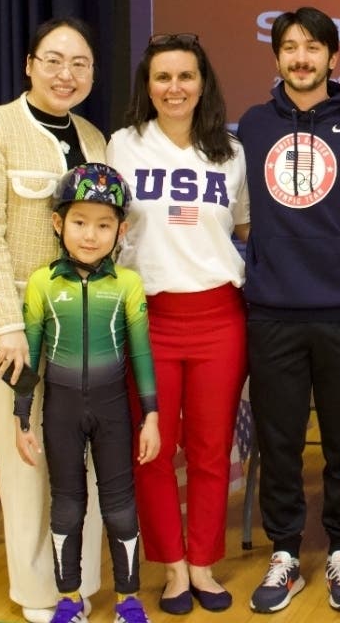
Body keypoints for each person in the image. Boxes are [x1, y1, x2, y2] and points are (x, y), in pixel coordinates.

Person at [0, 16, 107, 623]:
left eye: (79, 64)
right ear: (29, 64)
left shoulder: (95, 138)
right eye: (53, 60)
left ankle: (84, 581)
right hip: (14, 325)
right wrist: (9, 325)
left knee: (87, 452)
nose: (65, 74)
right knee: (27, 457)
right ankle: (39, 593)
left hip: (87, 323)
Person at [236, 7, 340, 615]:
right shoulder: (251, 126)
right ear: (276, 59)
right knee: (279, 440)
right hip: (272, 309)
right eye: (290, 47)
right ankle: (287, 553)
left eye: (314, 47)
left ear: (333, 57)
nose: (302, 57)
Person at [106, 33, 250, 614]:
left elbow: (241, 229)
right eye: (162, 78)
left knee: (212, 449)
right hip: (148, 318)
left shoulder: (231, 152)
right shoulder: (123, 145)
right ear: (148, 86)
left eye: (185, 76)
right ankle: (170, 568)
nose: (174, 88)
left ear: (203, 83)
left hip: (219, 317)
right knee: (153, 450)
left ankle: (203, 564)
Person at [13, 163, 159, 623]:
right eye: (79, 222)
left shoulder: (127, 285)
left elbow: (140, 355)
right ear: (58, 224)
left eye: (103, 224)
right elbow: (30, 357)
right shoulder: (41, 283)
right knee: (68, 506)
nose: (90, 235)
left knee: (119, 508)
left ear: (122, 229)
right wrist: (21, 420)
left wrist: (151, 416)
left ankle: (128, 601)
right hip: (60, 412)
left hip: (114, 409)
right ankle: (69, 600)